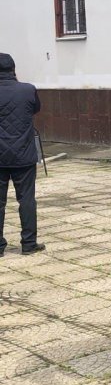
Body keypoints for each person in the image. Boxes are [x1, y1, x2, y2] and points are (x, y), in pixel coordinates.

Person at [0, 53, 45, 257]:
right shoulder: (28, 90)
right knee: (27, 199)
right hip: (24, 155)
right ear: (13, 69)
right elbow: (35, 109)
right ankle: (28, 243)